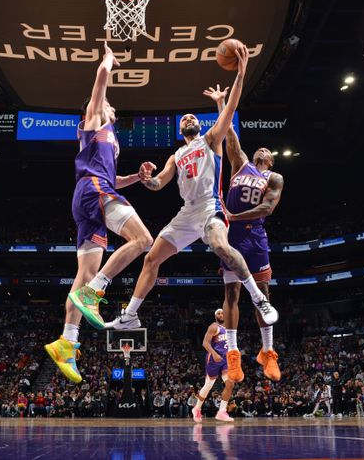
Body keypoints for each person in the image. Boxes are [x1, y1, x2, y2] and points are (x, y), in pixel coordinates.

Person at [106, 44, 278, 385]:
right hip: (186, 214)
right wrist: (145, 178)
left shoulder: (211, 139)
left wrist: (241, 74)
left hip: (211, 209)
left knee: (220, 246)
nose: (188, 118)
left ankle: (259, 300)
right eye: (184, 119)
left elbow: (230, 108)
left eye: (191, 117)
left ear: (199, 126)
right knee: (151, 258)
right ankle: (129, 315)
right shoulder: (176, 154)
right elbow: (158, 184)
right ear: (180, 129)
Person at [45, 43, 154, 384]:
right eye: (105, 101)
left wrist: (136, 176)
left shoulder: (110, 141)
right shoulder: (92, 122)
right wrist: (108, 59)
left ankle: (67, 343)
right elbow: (102, 78)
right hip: (93, 190)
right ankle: (97, 291)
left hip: (95, 193)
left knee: (82, 276)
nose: (109, 104)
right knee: (144, 239)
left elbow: (114, 179)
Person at [203, 84, 284, 381]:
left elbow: (267, 208)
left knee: (262, 294)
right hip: (232, 236)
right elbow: (230, 135)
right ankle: (233, 355)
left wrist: (234, 214)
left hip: (255, 235)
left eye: (267, 151)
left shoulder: (274, 177)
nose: (262, 149)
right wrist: (222, 103)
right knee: (232, 293)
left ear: (271, 160)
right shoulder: (240, 164)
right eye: (259, 148)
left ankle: (268, 351)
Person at [192, 309, 236, 423]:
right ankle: (197, 408)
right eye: (218, 313)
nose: (221, 315)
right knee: (208, 385)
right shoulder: (214, 326)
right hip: (214, 358)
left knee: (230, 383)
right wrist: (215, 354)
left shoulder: (230, 329)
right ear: (215, 316)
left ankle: (221, 412)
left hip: (226, 359)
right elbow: (205, 343)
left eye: (222, 313)